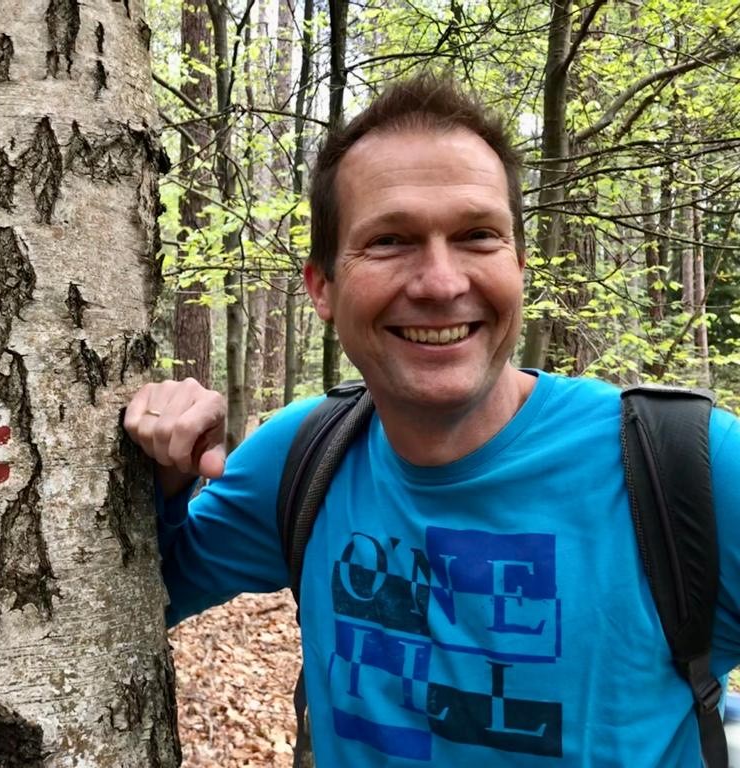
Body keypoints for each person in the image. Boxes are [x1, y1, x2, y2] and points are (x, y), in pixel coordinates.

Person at [124, 73, 740, 766]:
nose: (442, 283)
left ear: (519, 265)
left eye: (478, 235)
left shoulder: (687, 468)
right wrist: (161, 479)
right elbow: (123, 600)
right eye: (390, 241)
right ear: (323, 287)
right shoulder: (305, 459)